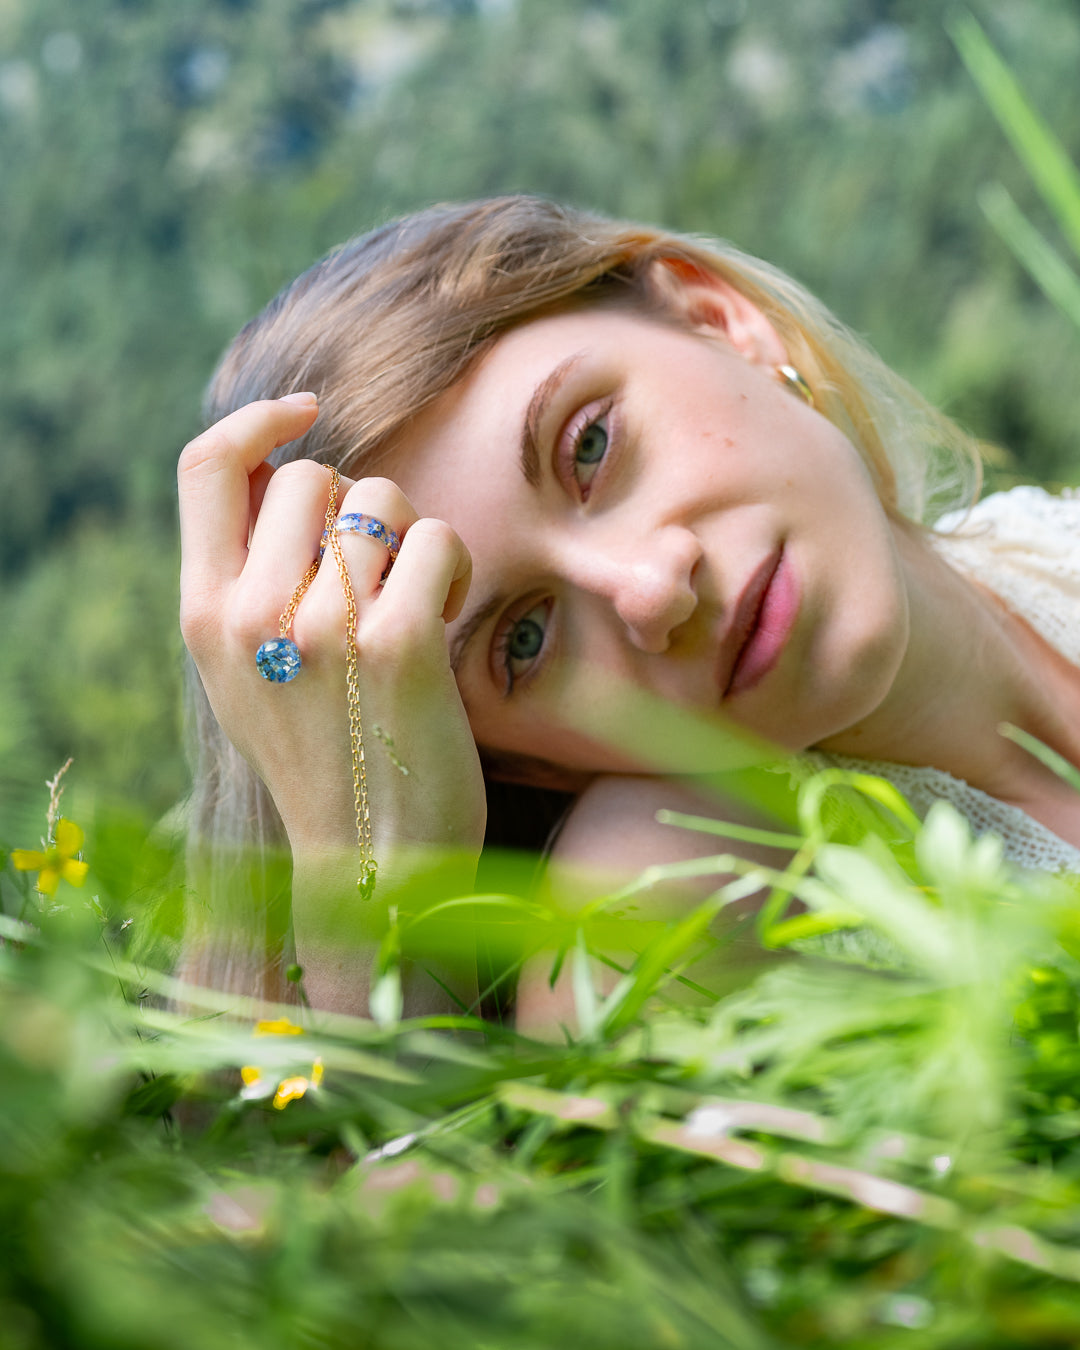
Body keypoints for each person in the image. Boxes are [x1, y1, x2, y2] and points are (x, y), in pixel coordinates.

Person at [177, 195, 1080, 1022]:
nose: (651, 592)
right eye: (523, 641)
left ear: (721, 321)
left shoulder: (1053, 543)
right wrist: (370, 890)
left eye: (591, 446)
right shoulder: (668, 892)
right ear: (532, 767)